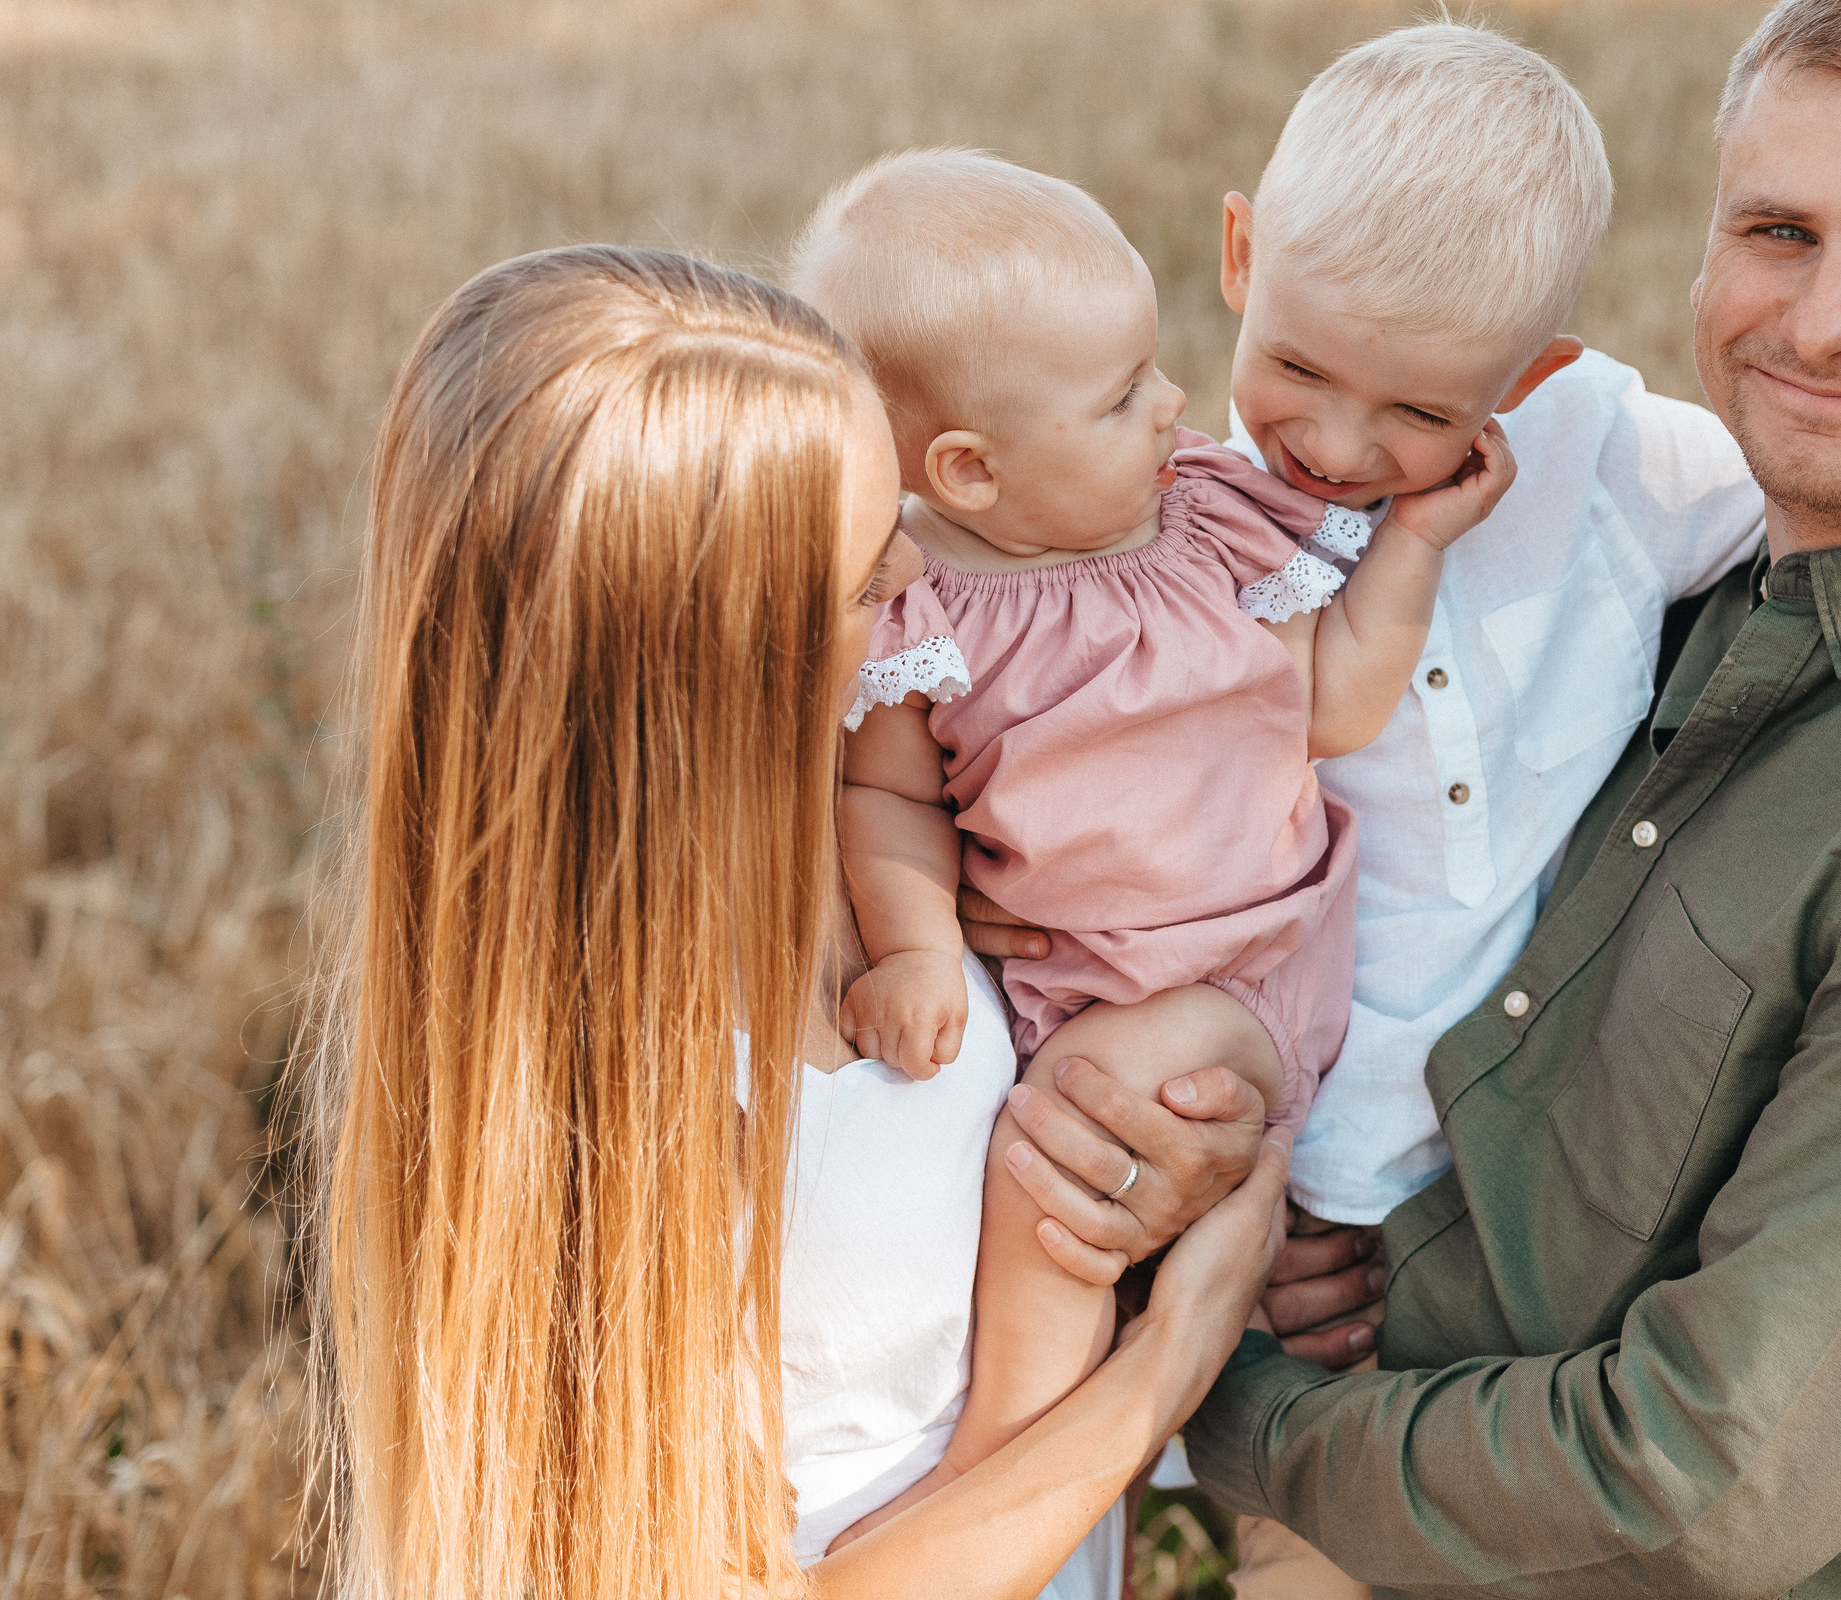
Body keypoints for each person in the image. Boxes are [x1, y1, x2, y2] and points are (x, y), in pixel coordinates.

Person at [968, 15, 1841, 1596]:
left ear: (1529, 374)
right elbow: (975, 624)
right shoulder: (1179, 517)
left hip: (1412, 1333)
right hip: (1263, 1182)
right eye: (1777, 233)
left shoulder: (1621, 475)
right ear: (1237, 256)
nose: (1341, 451)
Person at [306, 242, 1289, 1600]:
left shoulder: (895, 790)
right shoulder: (602, 1082)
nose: (915, 568)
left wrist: (1182, 1157)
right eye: (856, 577)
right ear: (698, 671)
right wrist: (1168, 1358)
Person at [783, 150, 1515, 1532]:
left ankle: (1005, 1449)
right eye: (1123, 394)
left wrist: (1415, 541)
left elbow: (1332, 702)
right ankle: (1039, 1461)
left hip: (1231, 976)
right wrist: (920, 951)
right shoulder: (918, 607)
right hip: (1062, 975)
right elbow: (885, 802)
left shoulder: (1205, 521)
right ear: (967, 469)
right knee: (1029, 1139)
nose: (1177, 405)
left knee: (1065, 1140)